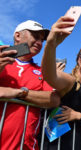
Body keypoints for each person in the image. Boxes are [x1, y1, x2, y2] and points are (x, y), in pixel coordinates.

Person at [41, 16, 81, 150]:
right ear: (78, 59)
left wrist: (77, 116)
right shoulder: (70, 81)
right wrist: (51, 44)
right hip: (57, 144)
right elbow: (49, 75)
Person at [0, 20, 61, 150]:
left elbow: (54, 99)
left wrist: (20, 92)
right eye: (35, 36)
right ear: (17, 36)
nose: (39, 43)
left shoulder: (43, 71)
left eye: (42, 39)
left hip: (25, 146)